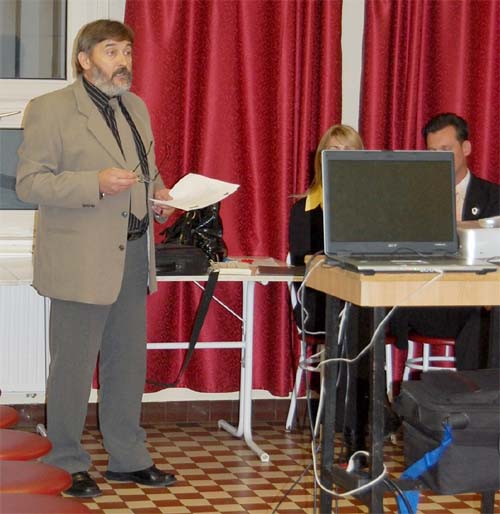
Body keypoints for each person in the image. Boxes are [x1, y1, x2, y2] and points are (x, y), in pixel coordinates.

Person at [16, 20, 176, 498]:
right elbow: (30, 183)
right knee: (73, 367)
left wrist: (160, 196)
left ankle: (128, 458)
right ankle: (66, 461)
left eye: (127, 51)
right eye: (111, 51)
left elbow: (146, 171)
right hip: (80, 259)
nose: (123, 61)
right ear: (84, 59)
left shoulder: (137, 107)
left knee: (127, 363)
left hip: (134, 252)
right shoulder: (50, 109)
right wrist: (94, 184)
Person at [390, 113, 500, 370]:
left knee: (487, 320)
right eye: (433, 152)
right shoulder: (412, 198)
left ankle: (475, 393)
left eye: (445, 149)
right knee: (360, 308)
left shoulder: (494, 197)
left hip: (474, 302)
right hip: (426, 301)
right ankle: (358, 394)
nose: (439, 158)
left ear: (466, 148)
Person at [289, 124, 373, 458]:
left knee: (369, 319)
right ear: (321, 159)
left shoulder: (373, 204)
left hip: (363, 296)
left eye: (348, 152)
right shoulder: (306, 207)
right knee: (357, 325)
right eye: (334, 152)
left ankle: (364, 422)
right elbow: (303, 262)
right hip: (320, 299)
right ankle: (357, 431)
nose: (340, 159)